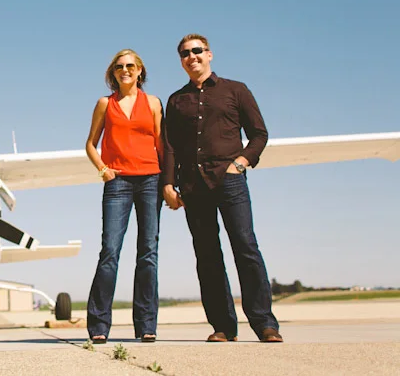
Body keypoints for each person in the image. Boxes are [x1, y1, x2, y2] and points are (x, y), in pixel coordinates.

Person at [162, 33, 283, 343]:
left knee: (245, 247)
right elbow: (171, 145)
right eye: (186, 53)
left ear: (210, 54)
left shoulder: (236, 90)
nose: (192, 57)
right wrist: (169, 184)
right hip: (193, 184)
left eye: (197, 51)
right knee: (207, 256)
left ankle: (265, 324)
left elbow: (259, 134)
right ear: (181, 61)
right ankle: (222, 327)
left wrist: (240, 163)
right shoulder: (177, 100)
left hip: (229, 179)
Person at [85, 49, 163, 344]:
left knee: (148, 254)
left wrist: (168, 182)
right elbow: (91, 144)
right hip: (117, 184)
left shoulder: (153, 103)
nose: (125, 70)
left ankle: (146, 324)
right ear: (113, 72)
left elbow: (161, 144)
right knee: (110, 252)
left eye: (130, 66)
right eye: (119, 67)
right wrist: (103, 169)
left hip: (150, 181)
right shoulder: (105, 104)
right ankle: (99, 325)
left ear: (140, 70)